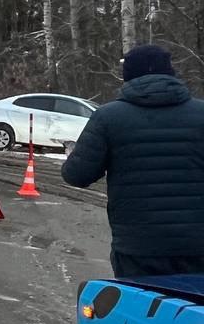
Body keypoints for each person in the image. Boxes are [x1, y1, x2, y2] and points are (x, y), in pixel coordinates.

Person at [63, 44, 204, 278]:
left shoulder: (108, 117)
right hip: (198, 246)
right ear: (171, 73)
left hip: (137, 248)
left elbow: (76, 175)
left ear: (127, 76)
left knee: (140, 311)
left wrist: (75, 154)